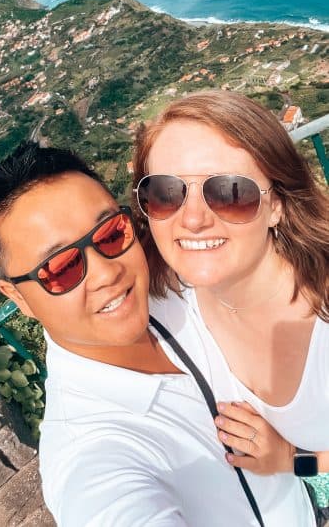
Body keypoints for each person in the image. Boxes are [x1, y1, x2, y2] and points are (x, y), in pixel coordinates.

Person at [0, 141, 315, 527]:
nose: (107, 273)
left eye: (110, 234)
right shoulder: (87, 454)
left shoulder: (183, 286)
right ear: (19, 297)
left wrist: (292, 458)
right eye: (60, 268)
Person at [132, 89, 329, 505]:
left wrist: (291, 459)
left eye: (229, 192)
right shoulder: (165, 302)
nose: (193, 219)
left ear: (275, 205)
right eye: (166, 193)